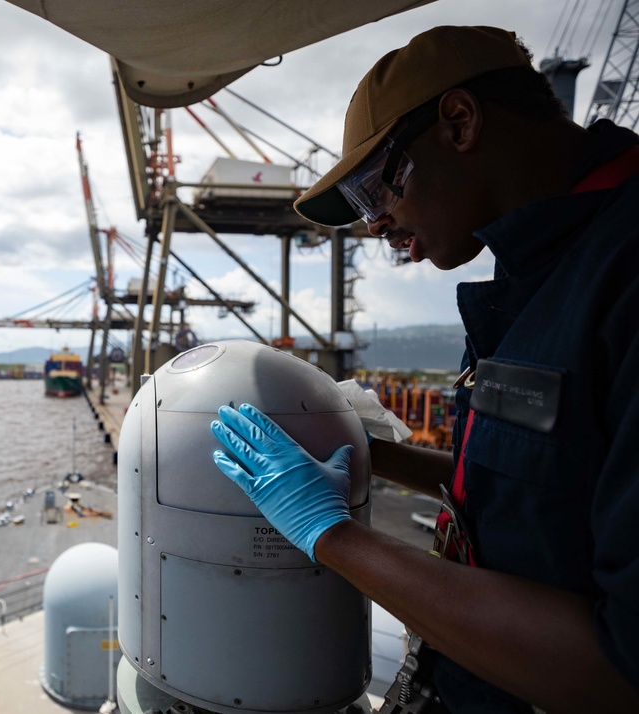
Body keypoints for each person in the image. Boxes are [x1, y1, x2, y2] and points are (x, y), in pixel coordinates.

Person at [210, 25, 639, 714]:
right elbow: (541, 495)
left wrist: (332, 533)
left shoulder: (619, 276)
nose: (376, 225)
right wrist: (374, 456)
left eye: (376, 190)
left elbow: (622, 669)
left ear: (459, 123)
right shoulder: (537, 278)